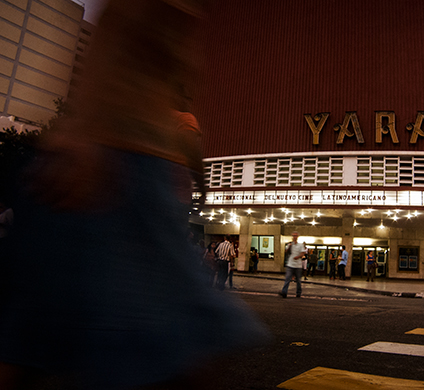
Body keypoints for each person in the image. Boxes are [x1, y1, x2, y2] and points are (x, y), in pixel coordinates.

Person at [0, 1, 269, 388]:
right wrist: (82, 133)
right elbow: (115, 36)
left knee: (44, 327)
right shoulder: (180, 116)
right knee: (163, 340)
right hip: (121, 167)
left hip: (132, 167)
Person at [280, 232, 305, 298]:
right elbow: (287, 252)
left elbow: (303, 253)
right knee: (287, 278)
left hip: (298, 265)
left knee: (298, 280)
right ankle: (284, 292)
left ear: (297, 237)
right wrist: (290, 246)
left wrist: (298, 256)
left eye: (295, 236)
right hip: (290, 264)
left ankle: (298, 293)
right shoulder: (290, 244)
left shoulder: (300, 245)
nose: (294, 237)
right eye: (293, 236)